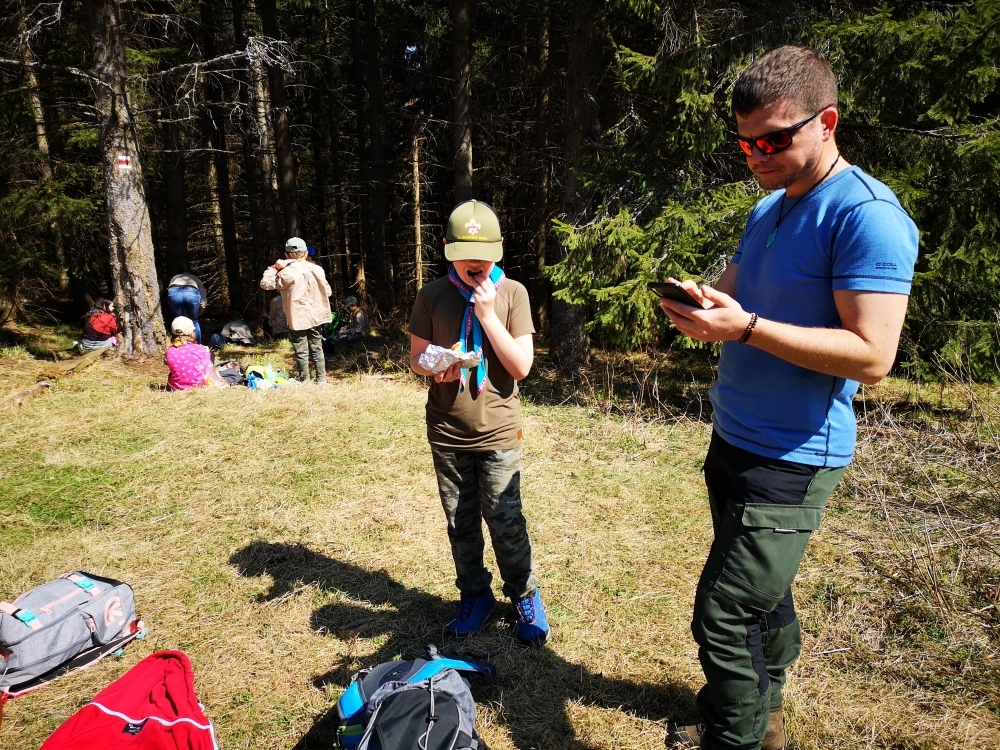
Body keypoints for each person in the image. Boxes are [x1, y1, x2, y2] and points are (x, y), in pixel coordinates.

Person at [659, 47, 919, 750]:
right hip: (735, 436)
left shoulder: (867, 216)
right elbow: (738, 294)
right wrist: (707, 306)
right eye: (745, 142)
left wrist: (744, 327)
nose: (756, 155)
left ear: (826, 122)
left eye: (772, 140)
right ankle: (763, 720)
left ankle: (735, 737)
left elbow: (873, 356)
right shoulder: (770, 206)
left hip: (793, 455)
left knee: (725, 613)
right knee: (762, 598)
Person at [408, 200, 549, 648]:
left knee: (505, 520)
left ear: (500, 248)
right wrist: (435, 366)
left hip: (498, 431)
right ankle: (475, 595)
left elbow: (521, 366)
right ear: (446, 248)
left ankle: (524, 595)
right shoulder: (432, 296)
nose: (475, 263)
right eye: (464, 254)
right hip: (448, 430)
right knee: (460, 522)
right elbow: (416, 358)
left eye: (484, 254)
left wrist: (487, 315)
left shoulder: (513, 294)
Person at [260, 237, 332, 384]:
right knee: (317, 349)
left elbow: (265, 283)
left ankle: (305, 381)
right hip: (317, 316)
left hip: (297, 318)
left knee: (301, 351)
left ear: (286, 255)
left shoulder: (287, 272)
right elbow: (328, 292)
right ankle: (322, 381)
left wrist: (274, 268)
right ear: (306, 253)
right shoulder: (318, 269)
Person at [164, 317, 229, 391]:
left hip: (176, 387)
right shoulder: (201, 349)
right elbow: (207, 369)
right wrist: (207, 353)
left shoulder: (169, 351)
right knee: (211, 355)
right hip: (199, 386)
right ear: (191, 331)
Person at [166, 272, 208, 344]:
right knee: (194, 322)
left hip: (174, 291)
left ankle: (179, 345)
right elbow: (203, 300)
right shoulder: (195, 278)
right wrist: (199, 313)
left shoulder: (175, 277)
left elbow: (170, 290)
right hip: (191, 291)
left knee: (179, 321)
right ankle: (197, 346)